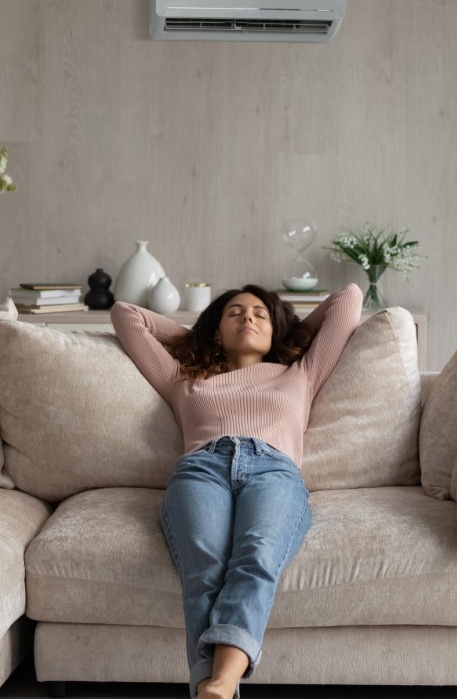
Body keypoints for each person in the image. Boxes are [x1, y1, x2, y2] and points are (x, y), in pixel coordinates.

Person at [110, 282, 363, 699]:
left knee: (258, 554)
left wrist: (291, 331)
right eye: (234, 313)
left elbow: (347, 299)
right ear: (215, 329)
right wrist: (196, 338)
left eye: (260, 314)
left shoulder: (301, 373)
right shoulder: (183, 378)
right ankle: (217, 689)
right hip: (202, 468)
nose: (248, 317)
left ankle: (220, 685)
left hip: (274, 470)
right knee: (204, 568)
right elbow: (126, 315)